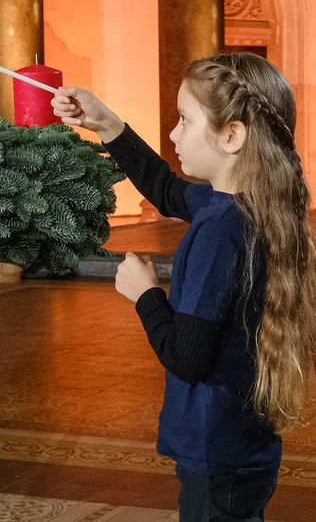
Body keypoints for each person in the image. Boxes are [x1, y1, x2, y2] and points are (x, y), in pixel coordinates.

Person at [52, 52, 316, 521]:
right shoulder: (250, 206)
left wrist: (145, 293)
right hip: (241, 441)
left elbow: (187, 358)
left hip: (213, 447)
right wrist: (107, 123)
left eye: (184, 120)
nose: (173, 134)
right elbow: (166, 189)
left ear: (232, 135)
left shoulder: (220, 231)